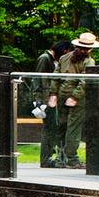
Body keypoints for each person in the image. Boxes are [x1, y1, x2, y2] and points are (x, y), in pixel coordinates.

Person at [50, 31, 99, 168]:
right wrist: (75, 97)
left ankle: (61, 158)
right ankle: (71, 159)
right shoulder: (89, 61)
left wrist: (54, 93)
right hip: (75, 96)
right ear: (90, 49)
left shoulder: (64, 57)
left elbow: (55, 76)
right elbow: (84, 81)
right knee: (73, 128)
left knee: (62, 126)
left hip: (62, 93)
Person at [31, 38, 69, 167]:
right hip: (46, 99)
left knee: (55, 128)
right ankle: (46, 159)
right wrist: (38, 100)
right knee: (49, 129)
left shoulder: (50, 59)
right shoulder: (44, 58)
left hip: (51, 98)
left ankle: (54, 157)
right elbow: (37, 79)